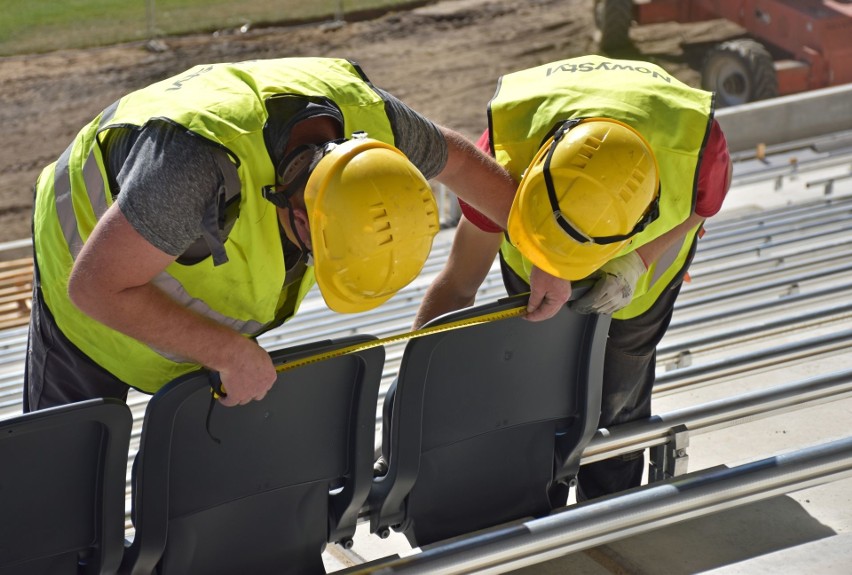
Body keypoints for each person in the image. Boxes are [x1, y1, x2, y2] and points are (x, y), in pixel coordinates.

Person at [26, 56, 568, 412]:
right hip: (86, 274)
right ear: (305, 217)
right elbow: (95, 288)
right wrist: (227, 351)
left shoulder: (378, 125)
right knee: (66, 472)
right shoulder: (195, 168)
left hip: (174, 251)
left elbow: (457, 160)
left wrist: (544, 247)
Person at [413, 55, 732, 499]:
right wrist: (418, 393)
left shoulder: (695, 139)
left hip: (640, 290)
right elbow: (458, 283)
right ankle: (538, 504)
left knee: (617, 402)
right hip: (533, 289)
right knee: (538, 394)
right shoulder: (505, 154)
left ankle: (608, 503)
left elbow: (701, 208)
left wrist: (639, 262)